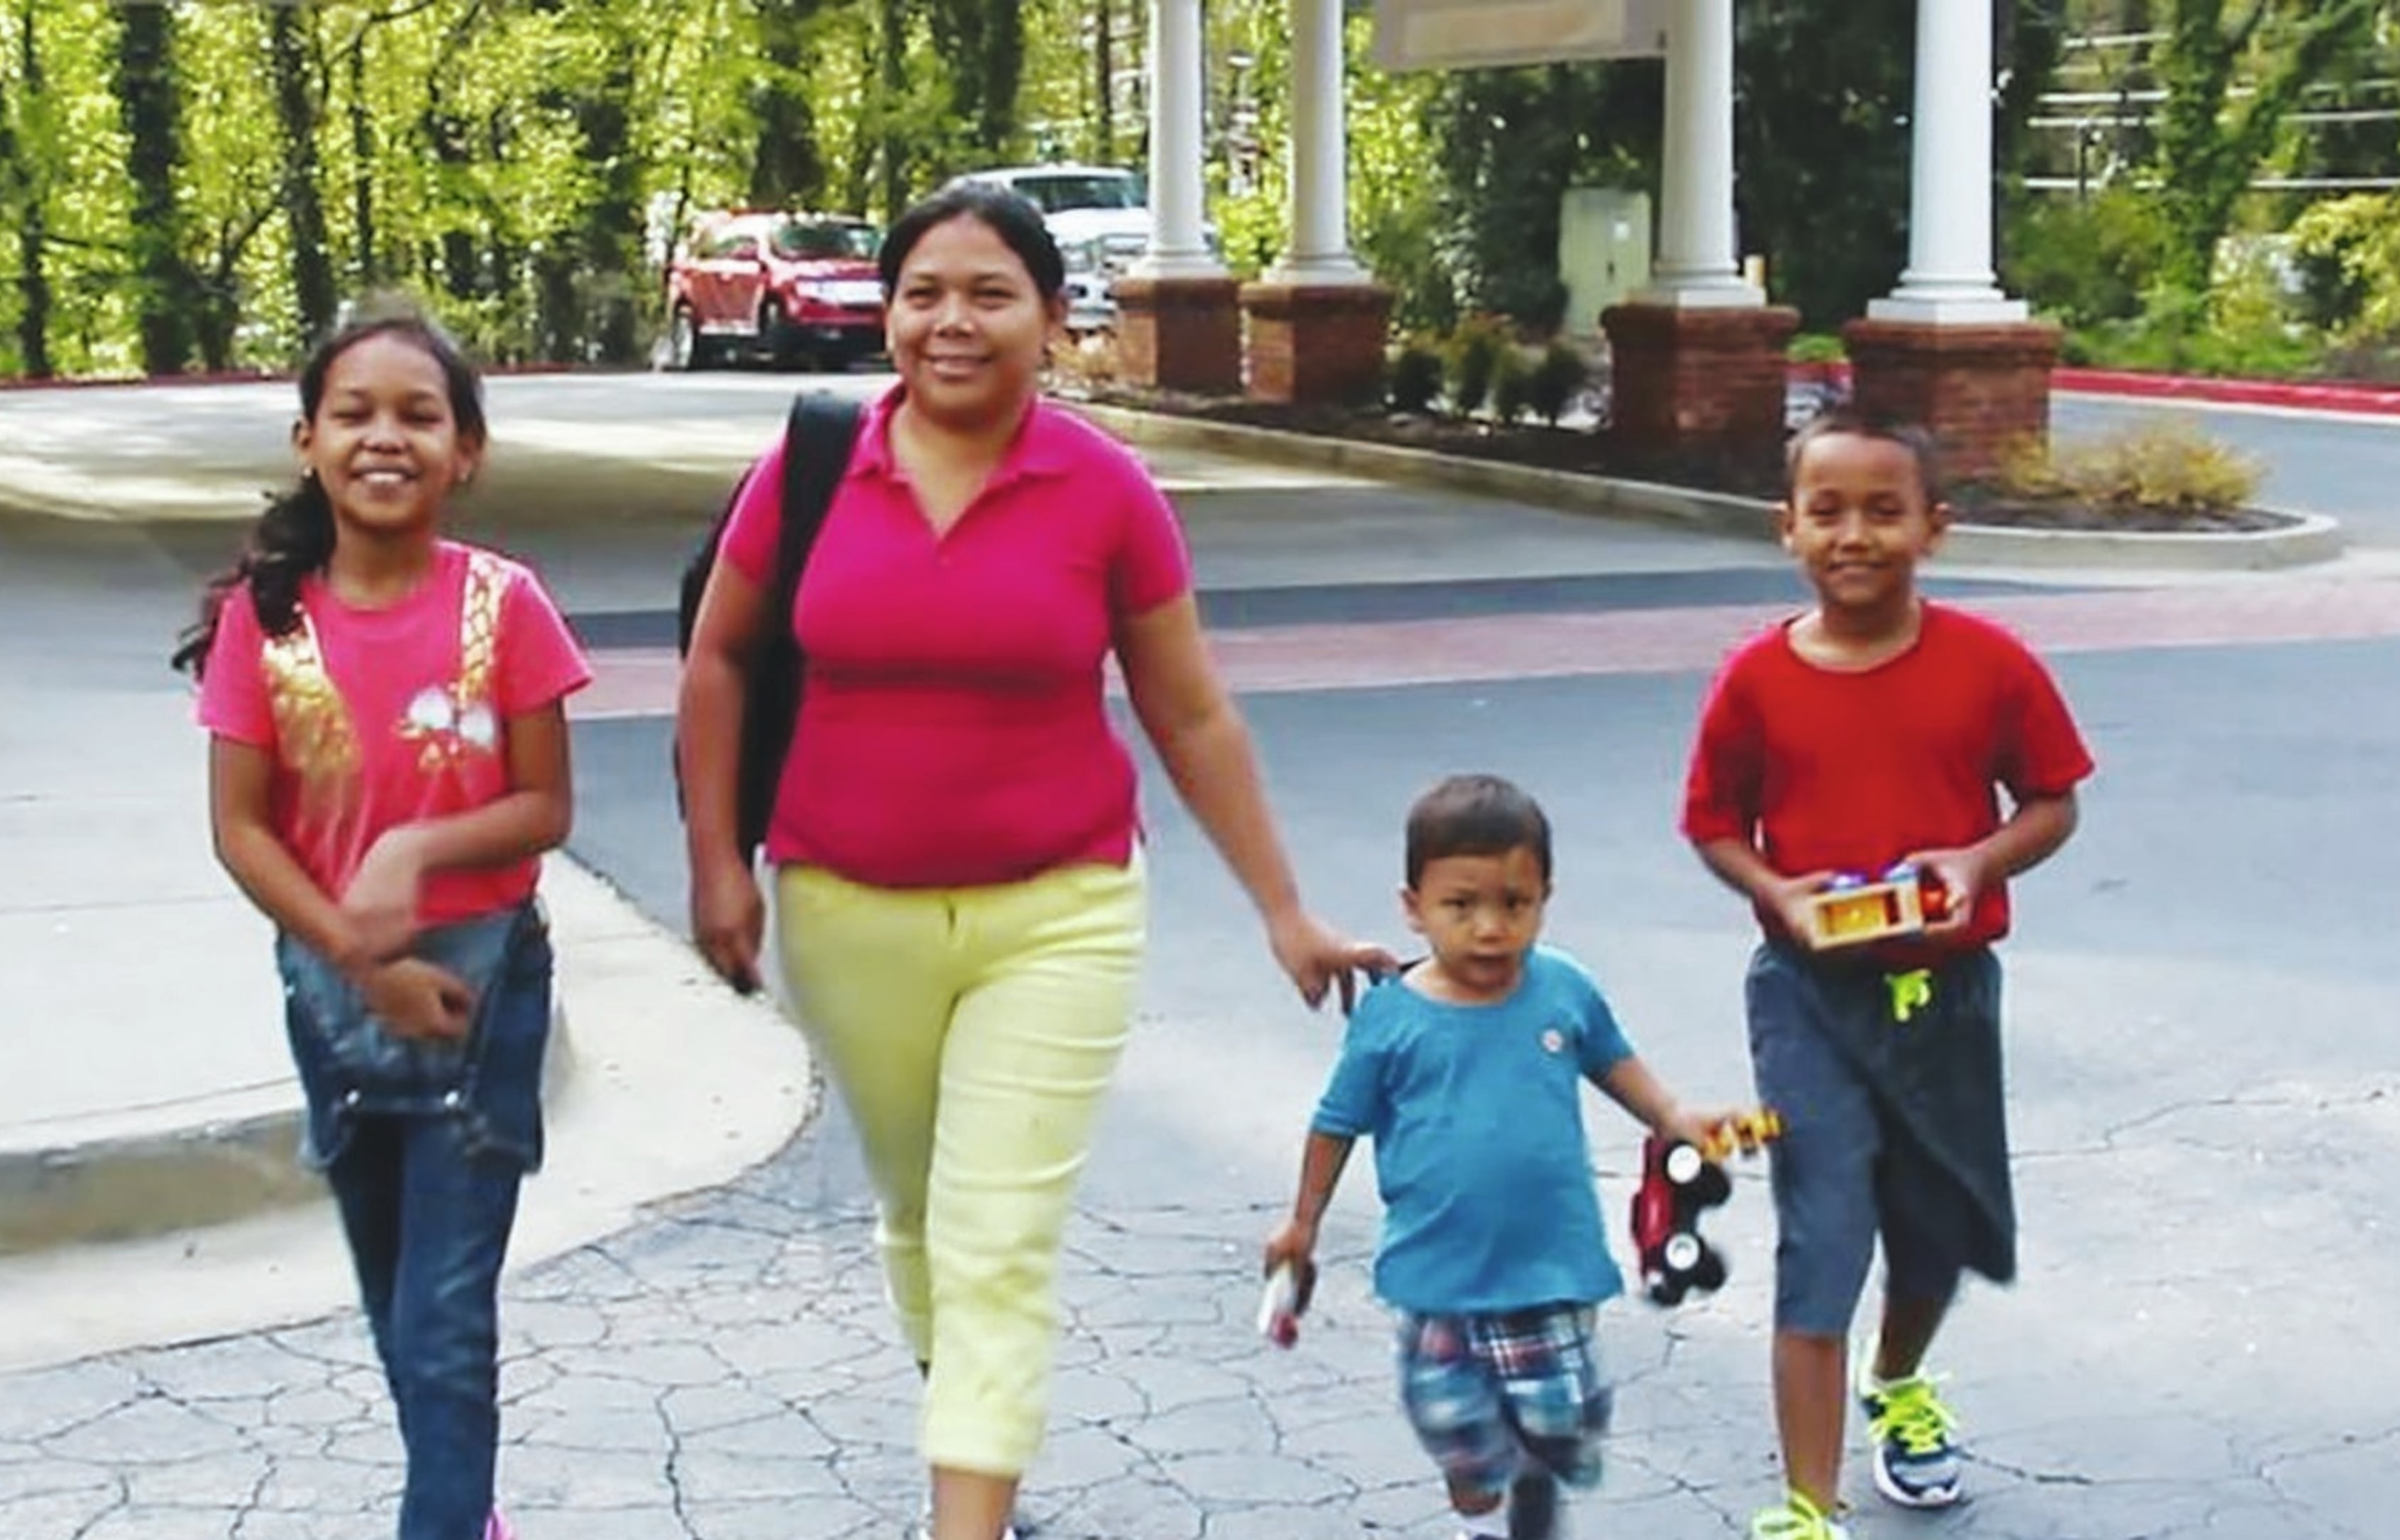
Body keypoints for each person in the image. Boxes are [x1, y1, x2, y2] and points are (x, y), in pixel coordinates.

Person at [675, 180, 1391, 1540]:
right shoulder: (815, 466)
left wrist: (1282, 909)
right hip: (842, 904)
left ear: (1055, 320)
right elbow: (719, 660)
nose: (953, 323)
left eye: (991, 295)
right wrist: (719, 862)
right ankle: (977, 1425)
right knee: (920, 1214)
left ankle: (970, 1513)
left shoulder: (1105, 490)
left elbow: (1189, 710)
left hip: (1059, 912)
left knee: (995, 1240)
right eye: (924, 293)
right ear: (887, 313)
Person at [175, 297, 591, 1540]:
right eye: (353, 414)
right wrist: (362, 960)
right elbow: (243, 829)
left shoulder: (504, 606)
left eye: (420, 415)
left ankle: (446, 1519)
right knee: (395, 1301)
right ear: (308, 439)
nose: (384, 438)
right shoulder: (271, 620)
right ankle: (466, 1510)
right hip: (335, 1001)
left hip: (482, 994)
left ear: (466, 450)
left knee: (448, 1321)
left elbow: (545, 803)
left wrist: (418, 846)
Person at [1678, 409, 2096, 1540]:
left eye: (1882, 510)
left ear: (1934, 528)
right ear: (1788, 529)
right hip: (1807, 997)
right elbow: (1713, 824)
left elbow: (2053, 799)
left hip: (1948, 996)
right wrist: (1779, 893)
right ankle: (1809, 1512)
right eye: (1827, 510)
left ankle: (1899, 1380)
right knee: (1822, 1237)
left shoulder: (1992, 666)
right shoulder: (1757, 679)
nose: (1852, 534)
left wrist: (1977, 859)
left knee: (1937, 1231)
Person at [1263, 773, 1755, 1540]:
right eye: (1462, 907)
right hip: (1438, 1278)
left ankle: (1537, 1475)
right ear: (1414, 908)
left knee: (1559, 1426)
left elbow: (1615, 1062)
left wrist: (1673, 1115)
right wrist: (1302, 1225)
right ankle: (1481, 1473)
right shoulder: (1391, 1017)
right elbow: (1336, 1124)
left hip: (1548, 1267)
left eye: (1515, 905)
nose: (1490, 929)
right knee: (1453, 1423)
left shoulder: (1563, 989)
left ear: (1544, 898)